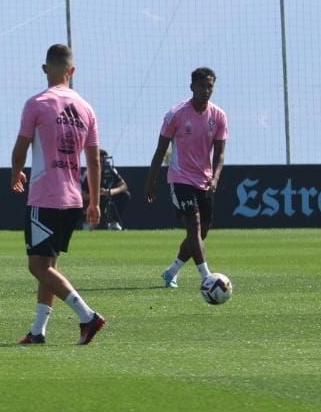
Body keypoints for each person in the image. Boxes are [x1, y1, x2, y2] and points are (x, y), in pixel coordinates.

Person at [10, 44, 106, 346]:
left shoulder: (37, 103)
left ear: (44, 69)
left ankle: (87, 316)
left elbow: (22, 146)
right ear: (72, 71)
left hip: (45, 196)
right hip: (73, 199)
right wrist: (95, 202)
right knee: (49, 266)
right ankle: (38, 331)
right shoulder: (86, 108)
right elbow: (93, 160)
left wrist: (15, 173)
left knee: (37, 266)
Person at [145, 67, 228, 289]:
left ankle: (171, 271)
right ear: (192, 87)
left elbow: (220, 154)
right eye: (202, 85)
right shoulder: (176, 114)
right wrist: (151, 181)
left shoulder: (218, 116)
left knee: (202, 232)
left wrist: (216, 177)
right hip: (181, 179)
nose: (206, 90)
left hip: (205, 181)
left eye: (210, 86)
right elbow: (160, 150)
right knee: (194, 226)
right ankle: (207, 278)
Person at [81, 149, 130, 230]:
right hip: (91, 202)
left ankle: (114, 222)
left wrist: (110, 192)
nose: (104, 163)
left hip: (105, 198)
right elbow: (83, 196)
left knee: (125, 195)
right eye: (101, 160)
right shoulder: (88, 173)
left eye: (105, 160)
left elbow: (124, 186)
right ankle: (88, 222)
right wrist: (98, 194)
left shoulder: (110, 170)